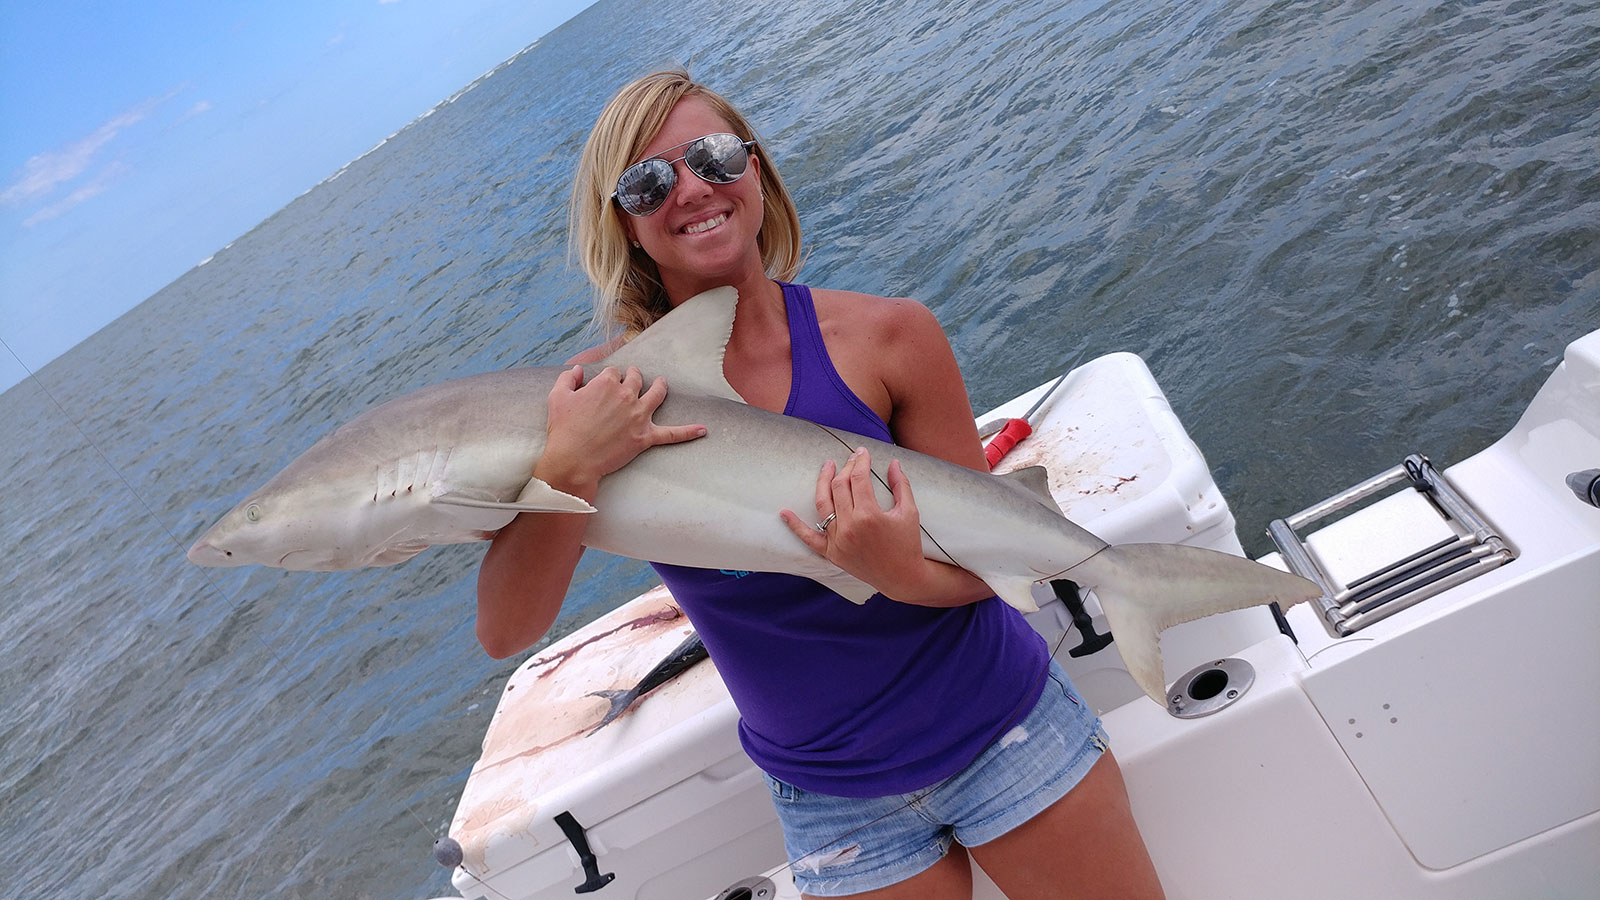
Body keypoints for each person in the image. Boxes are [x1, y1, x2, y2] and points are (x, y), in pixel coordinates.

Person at [476, 69, 1165, 900]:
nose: (692, 188)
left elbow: (994, 560)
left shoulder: (889, 339)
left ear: (756, 170)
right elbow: (508, 629)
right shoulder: (593, 406)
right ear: (622, 222)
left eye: (714, 156)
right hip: (834, 800)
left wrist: (897, 573)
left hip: (1003, 725)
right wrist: (569, 463)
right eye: (649, 181)